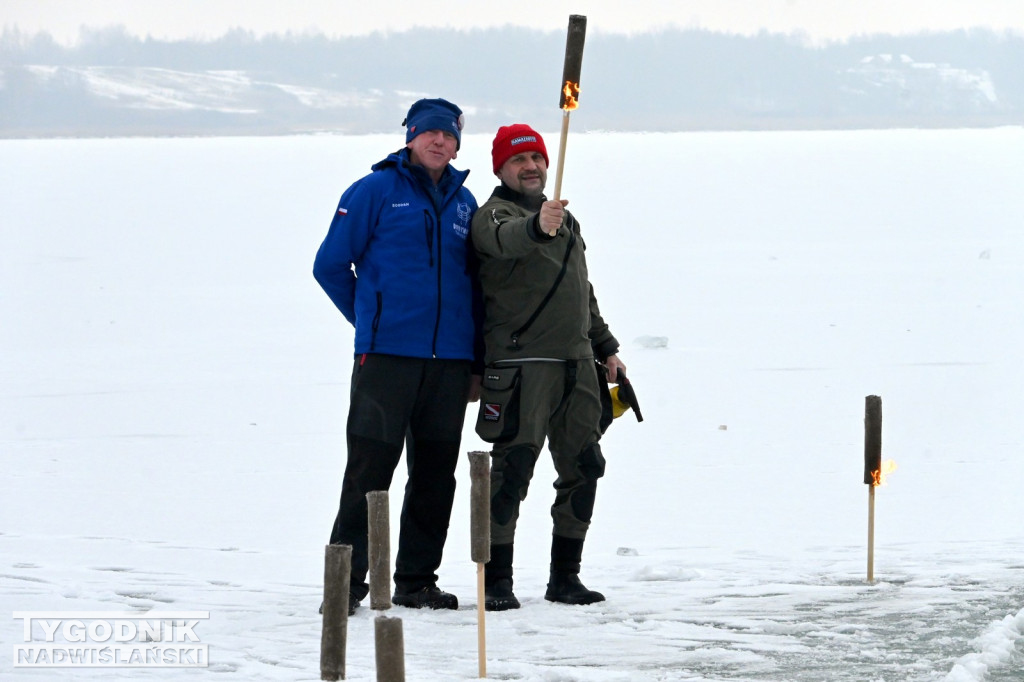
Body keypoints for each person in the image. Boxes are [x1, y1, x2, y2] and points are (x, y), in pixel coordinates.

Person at [313, 97, 482, 613]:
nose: (439, 142)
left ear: (457, 145)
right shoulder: (374, 191)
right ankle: (345, 585)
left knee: (435, 476)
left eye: (448, 135)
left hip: (449, 364)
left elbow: (475, 285)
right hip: (386, 360)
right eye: (430, 133)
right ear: (411, 136)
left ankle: (416, 581)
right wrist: (372, 322)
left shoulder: (465, 202)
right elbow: (330, 266)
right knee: (369, 473)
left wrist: (475, 360)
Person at [471, 123, 626, 611]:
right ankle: (496, 581)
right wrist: (539, 226)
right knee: (512, 472)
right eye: (518, 160)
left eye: (536, 158)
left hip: (576, 364)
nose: (531, 166)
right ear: (501, 168)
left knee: (585, 466)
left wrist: (605, 346)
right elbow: (506, 240)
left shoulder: (566, 220)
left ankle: (565, 577)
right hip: (521, 366)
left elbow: (580, 288)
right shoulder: (492, 216)